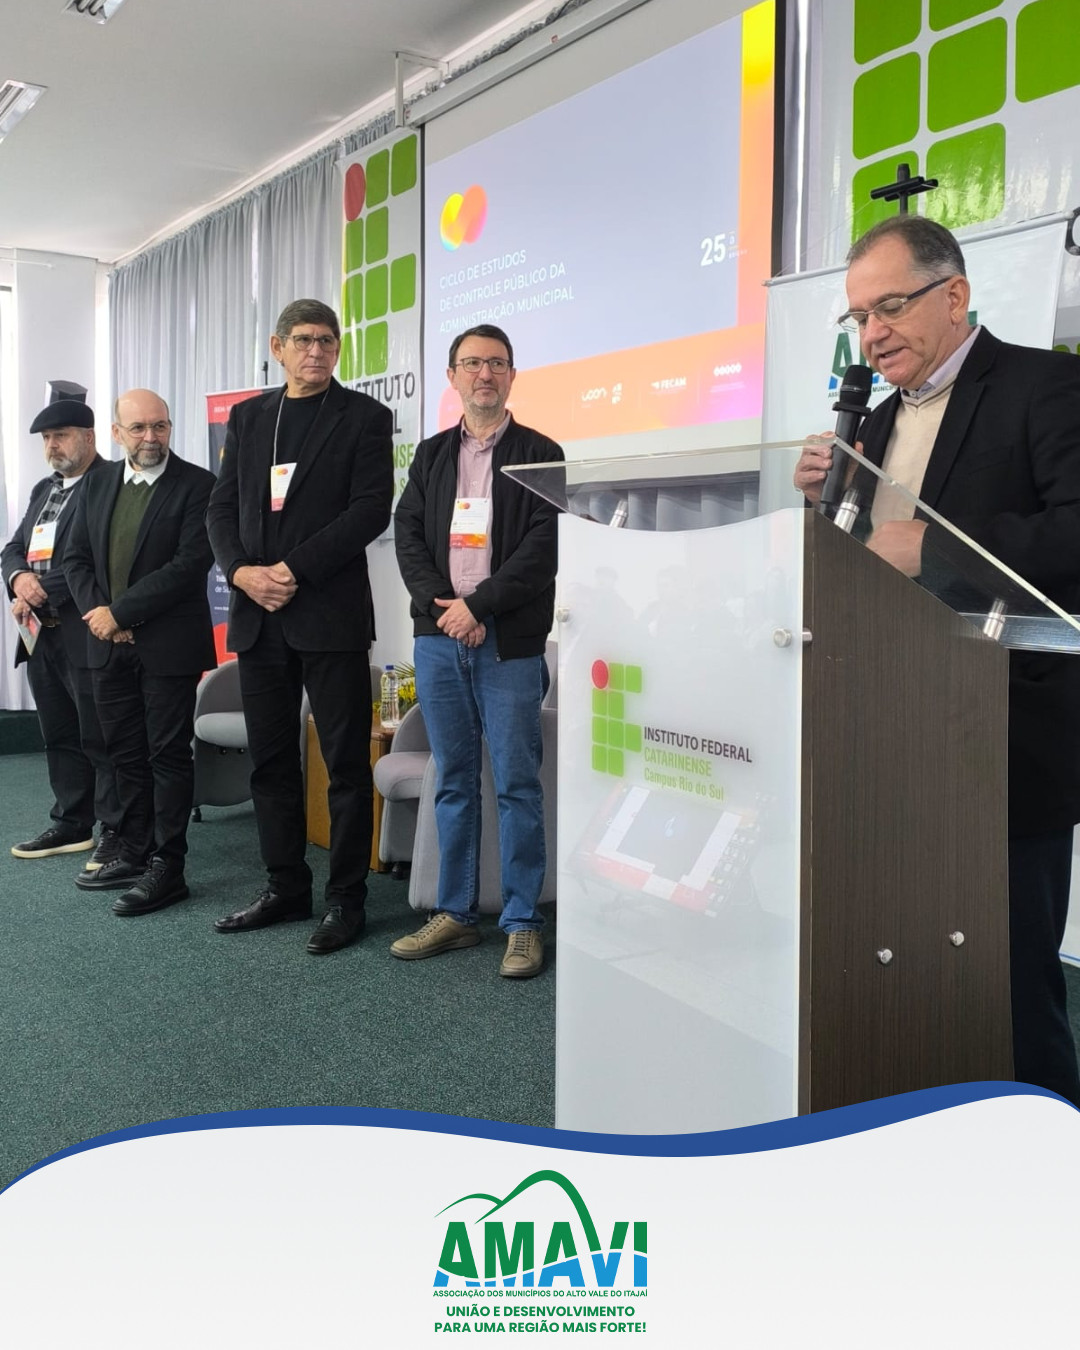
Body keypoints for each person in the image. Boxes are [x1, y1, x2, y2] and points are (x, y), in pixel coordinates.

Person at [794, 214, 1080, 1105]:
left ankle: (1048, 1151)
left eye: (890, 307)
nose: (873, 333)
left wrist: (936, 549)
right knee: (910, 966)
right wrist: (821, 506)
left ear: (954, 296)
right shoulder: (872, 425)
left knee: (1008, 979)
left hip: (1005, 737)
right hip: (887, 727)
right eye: (859, 318)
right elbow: (858, 567)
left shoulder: (1045, 386)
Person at [206, 299, 393, 955]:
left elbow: (370, 510)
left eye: (328, 341)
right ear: (277, 347)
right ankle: (285, 886)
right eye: (305, 340)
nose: (317, 351)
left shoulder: (364, 417)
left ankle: (346, 900)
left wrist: (290, 569)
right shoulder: (250, 417)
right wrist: (242, 572)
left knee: (345, 766)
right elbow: (220, 509)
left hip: (329, 617)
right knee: (271, 763)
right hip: (259, 618)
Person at [391, 324, 562, 979]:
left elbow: (542, 549)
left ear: (511, 375)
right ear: (453, 377)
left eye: (495, 363)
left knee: (517, 785)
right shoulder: (431, 455)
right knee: (454, 781)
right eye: (471, 363)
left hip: (507, 645)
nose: (483, 374)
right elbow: (409, 534)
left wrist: (478, 607)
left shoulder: (541, 453)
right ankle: (457, 914)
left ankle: (522, 924)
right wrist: (445, 608)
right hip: (440, 642)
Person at [65, 389, 217, 915]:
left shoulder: (198, 485)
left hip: (168, 647)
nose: (151, 437)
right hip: (107, 643)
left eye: (160, 426)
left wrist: (121, 614)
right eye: (139, 428)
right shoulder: (97, 483)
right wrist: (101, 615)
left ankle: (167, 866)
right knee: (123, 752)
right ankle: (133, 850)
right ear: (116, 433)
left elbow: (189, 565)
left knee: (167, 756)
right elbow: (75, 559)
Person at [2, 399, 120, 869]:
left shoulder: (109, 483)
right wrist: (18, 579)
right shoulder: (44, 488)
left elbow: (100, 563)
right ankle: (72, 823)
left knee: (102, 738)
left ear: (89, 437)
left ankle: (117, 831)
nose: (53, 446)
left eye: (62, 435)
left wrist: (39, 589)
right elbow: (14, 547)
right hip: (41, 636)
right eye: (47, 439)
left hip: (86, 632)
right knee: (60, 735)